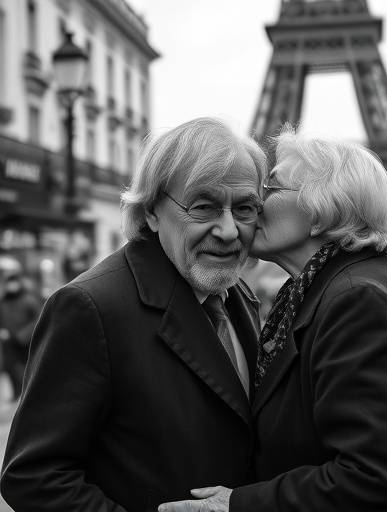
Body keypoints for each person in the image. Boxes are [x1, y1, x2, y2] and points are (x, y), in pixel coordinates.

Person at [161, 130, 387, 512]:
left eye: (271, 187)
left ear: (320, 210)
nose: (255, 202)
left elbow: (378, 482)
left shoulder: (360, 303)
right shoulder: (334, 290)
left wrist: (237, 505)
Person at [0, 117, 266, 511]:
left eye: (244, 208)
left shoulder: (236, 293)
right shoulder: (89, 308)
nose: (228, 230)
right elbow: (33, 476)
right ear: (153, 211)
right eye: (204, 206)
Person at [0, 265, 42, 401]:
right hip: (9, 344)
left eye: (14, 281)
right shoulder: (3, 302)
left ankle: (30, 395)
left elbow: (39, 319)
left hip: (27, 343)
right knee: (12, 370)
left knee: (29, 370)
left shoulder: (28, 300)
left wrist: (24, 335)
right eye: (9, 282)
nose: (12, 285)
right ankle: (17, 395)